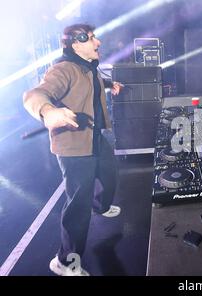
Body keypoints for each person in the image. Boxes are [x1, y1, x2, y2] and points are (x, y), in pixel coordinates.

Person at [23, 24, 123, 276]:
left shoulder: (87, 66)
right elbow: (35, 94)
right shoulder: (64, 69)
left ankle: (100, 206)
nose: (97, 42)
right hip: (74, 147)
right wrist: (48, 111)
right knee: (78, 206)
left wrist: (111, 85)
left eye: (95, 37)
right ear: (75, 45)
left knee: (110, 174)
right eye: (90, 39)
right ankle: (64, 261)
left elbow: (95, 83)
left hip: (95, 138)